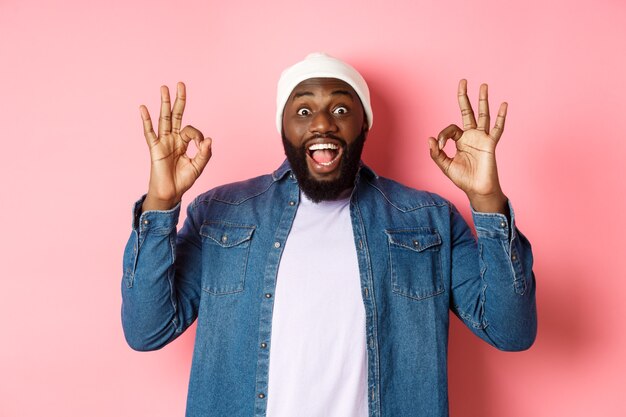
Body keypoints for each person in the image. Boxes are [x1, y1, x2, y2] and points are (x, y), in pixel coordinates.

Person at [121, 52, 537, 417]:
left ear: (364, 125)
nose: (322, 122)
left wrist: (486, 199)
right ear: (283, 130)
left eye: (341, 110)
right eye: (303, 112)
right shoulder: (220, 214)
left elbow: (511, 331)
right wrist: (161, 202)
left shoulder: (428, 219)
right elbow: (147, 329)